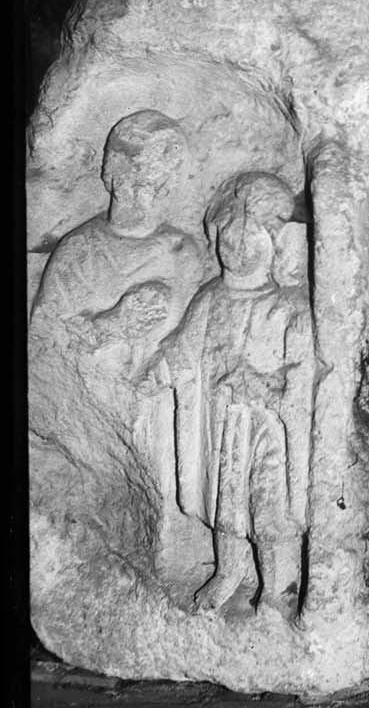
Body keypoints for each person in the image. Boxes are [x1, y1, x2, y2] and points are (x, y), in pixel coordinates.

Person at [166, 171, 314, 619]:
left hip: (269, 432)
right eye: (228, 239)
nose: (236, 251)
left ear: (275, 246)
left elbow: (303, 375)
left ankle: (277, 586)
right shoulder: (210, 299)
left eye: (250, 242)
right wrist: (166, 368)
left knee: (270, 511)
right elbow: (184, 350)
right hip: (223, 425)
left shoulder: (291, 307)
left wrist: (265, 385)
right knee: (226, 506)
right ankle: (228, 571)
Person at [32, 109, 204, 385]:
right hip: (83, 391)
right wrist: (114, 323)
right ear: (108, 171)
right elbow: (43, 338)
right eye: (124, 163)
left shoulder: (182, 253)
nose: (133, 181)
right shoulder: (79, 249)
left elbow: (186, 344)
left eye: (146, 175)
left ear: (168, 182)